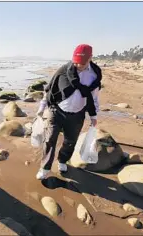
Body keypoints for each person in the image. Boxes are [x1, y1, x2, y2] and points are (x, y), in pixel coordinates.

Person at [35, 44, 102, 180]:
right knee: (49, 140)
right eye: (76, 62)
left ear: (90, 58)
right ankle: (45, 168)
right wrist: (41, 108)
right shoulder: (64, 71)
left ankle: (62, 161)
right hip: (57, 111)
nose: (78, 66)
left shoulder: (94, 75)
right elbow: (50, 90)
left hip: (77, 114)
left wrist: (93, 116)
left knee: (70, 141)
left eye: (82, 63)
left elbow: (94, 97)